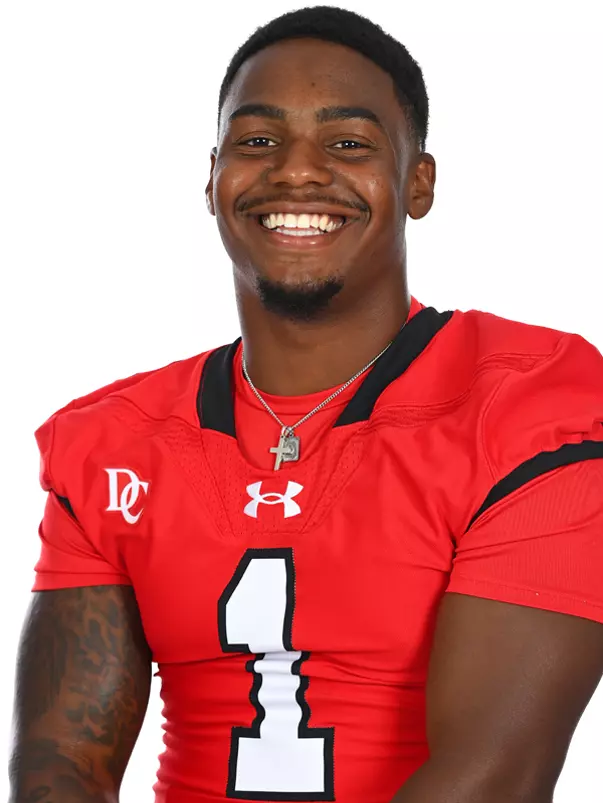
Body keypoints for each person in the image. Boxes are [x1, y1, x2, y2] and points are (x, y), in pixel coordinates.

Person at [9, 5, 603, 803]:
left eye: (347, 143)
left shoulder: (528, 402)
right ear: (211, 177)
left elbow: (490, 781)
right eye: (256, 141)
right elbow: (58, 769)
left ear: (417, 182)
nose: (295, 171)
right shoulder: (113, 439)